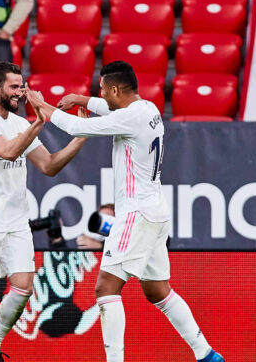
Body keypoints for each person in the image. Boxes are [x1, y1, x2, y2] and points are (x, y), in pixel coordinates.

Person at [25, 61, 224, 362]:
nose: (101, 95)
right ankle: (207, 355)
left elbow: (77, 127)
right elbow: (111, 110)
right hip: (155, 212)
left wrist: (42, 105)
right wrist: (82, 99)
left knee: (106, 288)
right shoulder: (149, 110)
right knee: (158, 291)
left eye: (104, 91)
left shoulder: (131, 118)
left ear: (116, 89)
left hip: (136, 214)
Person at [0, 61, 86, 362]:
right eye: (14, 87)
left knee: (23, 288)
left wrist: (82, 136)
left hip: (17, 219)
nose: (21, 92)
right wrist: (39, 121)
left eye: (21, 86)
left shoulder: (19, 124)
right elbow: (8, 151)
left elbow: (50, 165)